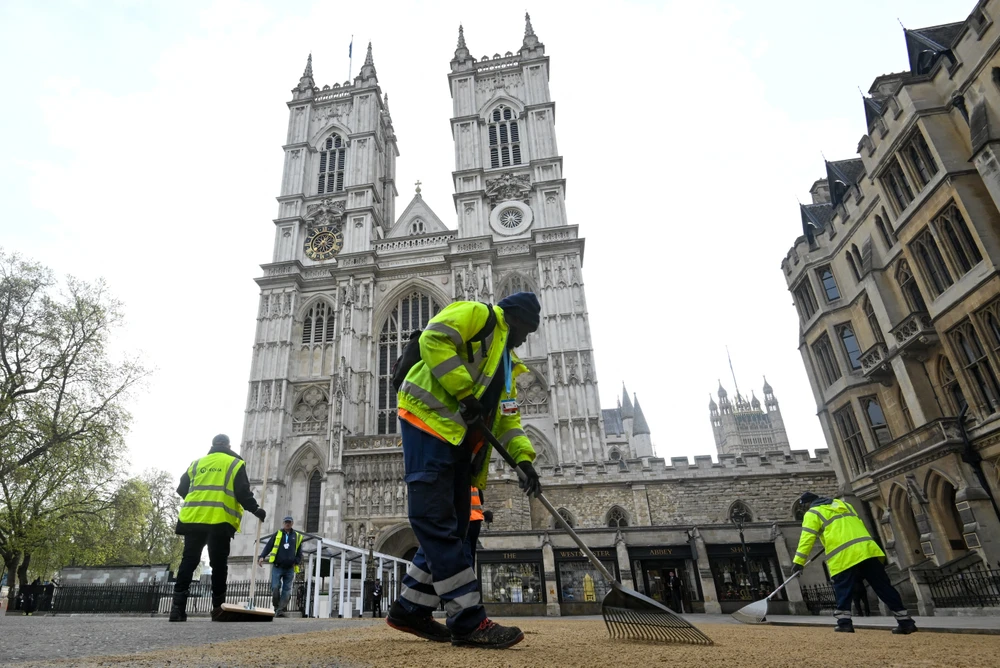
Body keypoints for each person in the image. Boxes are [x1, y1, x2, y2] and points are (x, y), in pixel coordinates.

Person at [386, 293, 542, 650]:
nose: (525, 339)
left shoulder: (506, 364)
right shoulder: (478, 314)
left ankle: (411, 608)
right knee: (435, 520)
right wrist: (464, 392)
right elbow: (433, 339)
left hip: (459, 439)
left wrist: (523, 460)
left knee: (455, 527)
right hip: (426, 422)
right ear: (515, 317)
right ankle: (469, 620)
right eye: (527, 330)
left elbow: (508, 419)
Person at [170, 434, 265, 622]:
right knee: (219, 565)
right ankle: (218, 608)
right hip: (219, 520)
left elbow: (182, 489)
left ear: (212, 445)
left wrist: (199, 500)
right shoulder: (234, 463)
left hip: (193, 519)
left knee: (188, 562)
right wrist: (256, 509)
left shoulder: (197, 463)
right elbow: (242, 493)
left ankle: (177, 609)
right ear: (228, 446)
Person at [792, 491, 916, 634]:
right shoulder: (844, 505)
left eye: (804, 507)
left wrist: (798, 562)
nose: (804, 510)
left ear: (808, 504)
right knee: (883, 587)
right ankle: (905, 621)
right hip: (867, 550)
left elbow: (806, 539)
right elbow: (851, 526)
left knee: (843, 589)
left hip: (844, 555)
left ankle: (844, 623)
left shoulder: (813, 513)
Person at [257, 515, 303, 618]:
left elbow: (299, 551)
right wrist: (262, 556)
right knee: (275, 587)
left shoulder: (297, 536)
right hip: (278, 566)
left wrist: (296, 561)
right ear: (283, 523)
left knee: (287, 590)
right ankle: (276, 606)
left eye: (289, 522)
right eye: (286, 522)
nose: (287, 524)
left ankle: (280, 610)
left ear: (292, 523)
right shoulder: (277, 534)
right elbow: (269, 546)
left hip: (290, 568)